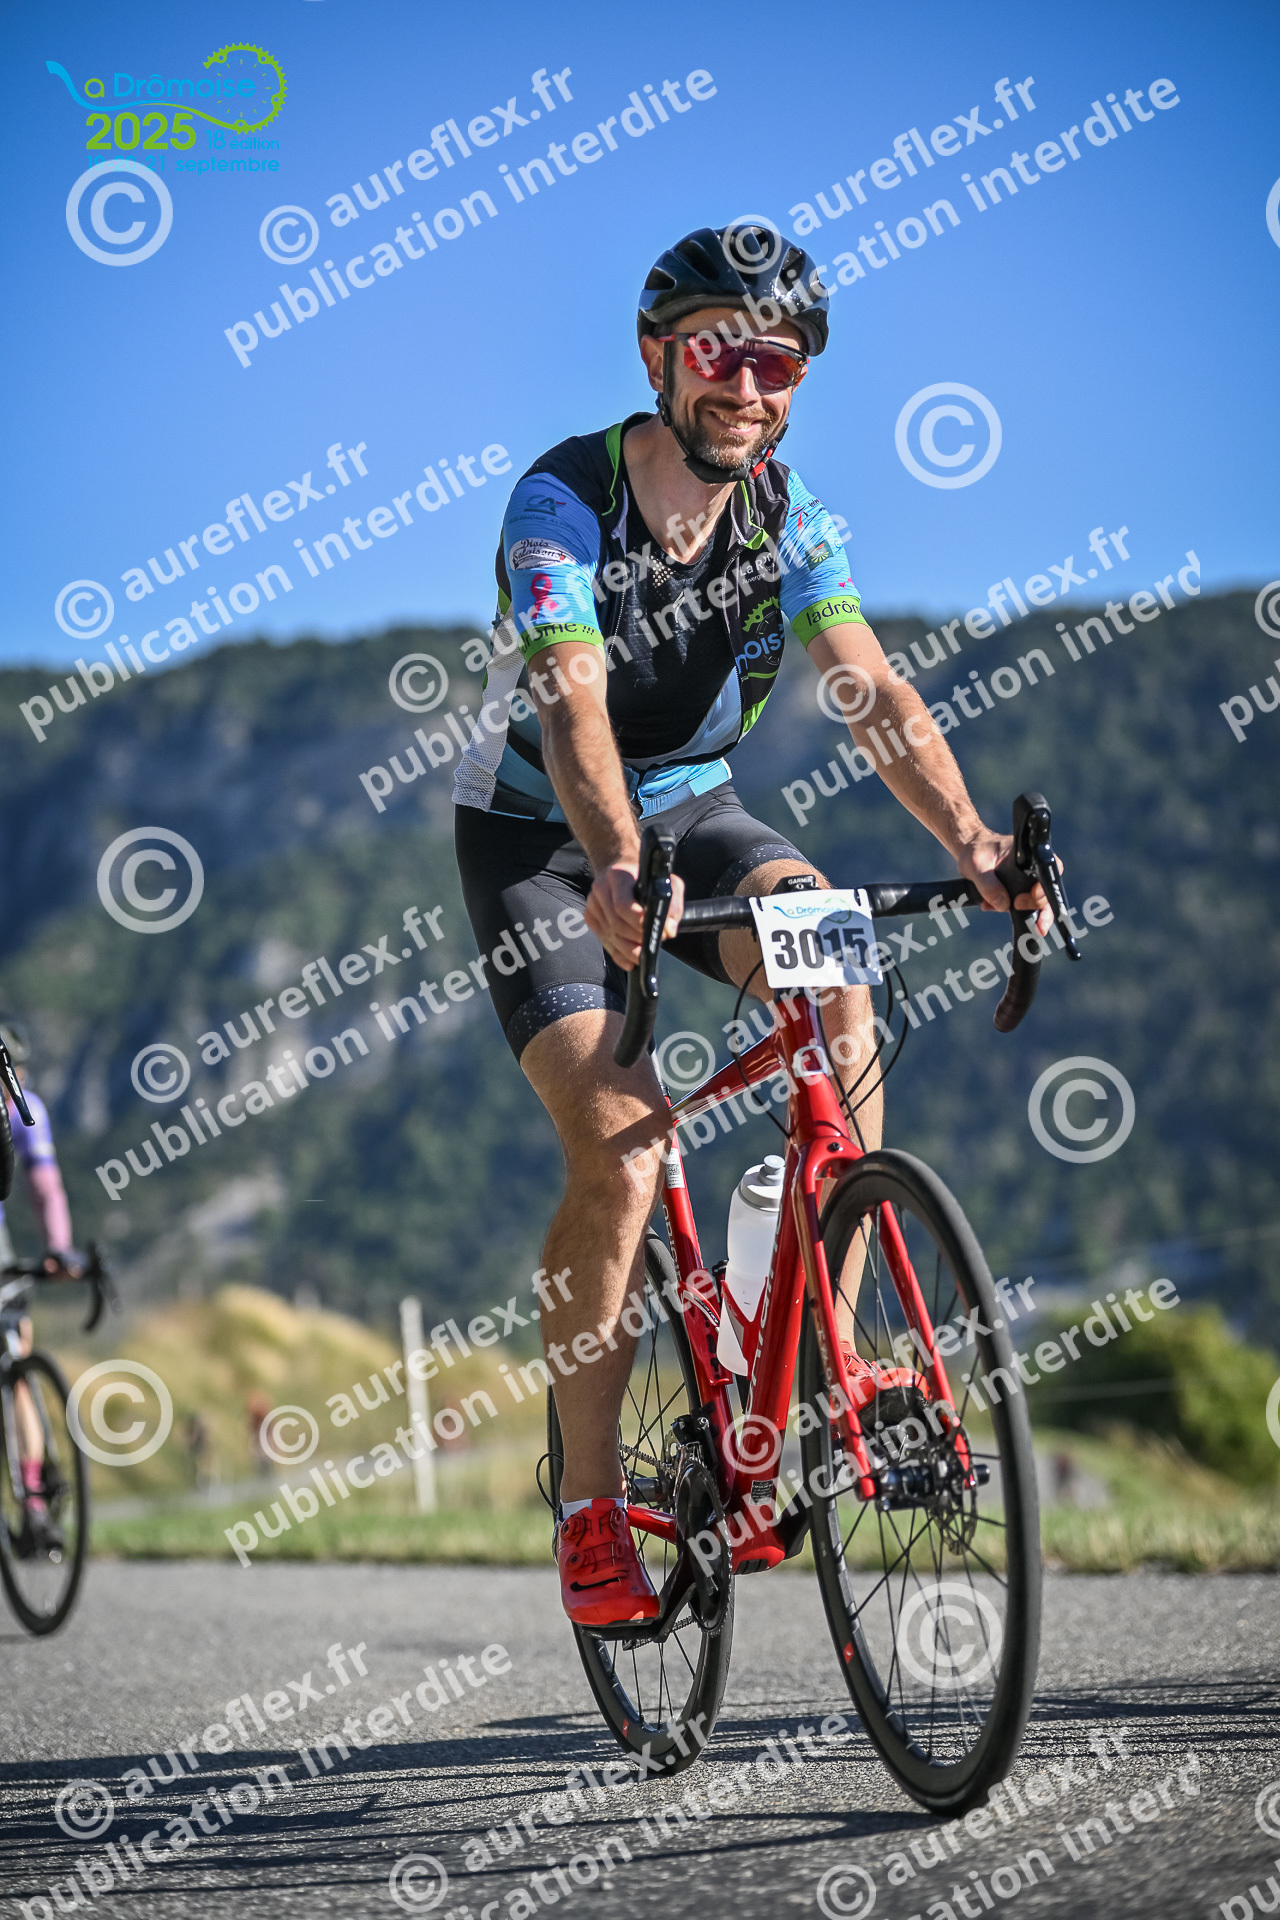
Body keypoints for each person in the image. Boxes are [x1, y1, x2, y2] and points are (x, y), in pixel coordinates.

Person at [452, 226, 1050, 1627]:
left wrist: (973, 846)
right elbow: (572, 700)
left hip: (697, 810)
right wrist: (614, 865)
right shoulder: (561, 504)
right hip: (542, 840)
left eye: (772, 361)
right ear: (657, 357)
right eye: (716, 350)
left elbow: (870, 688)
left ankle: (823, 1345)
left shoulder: (791, 517)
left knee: (837, 962)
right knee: (626, 1149)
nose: (743, 382)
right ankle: (591, 1510)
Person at [0, 1014, 83, 1547]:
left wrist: (58, 1249)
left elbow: (45, 1185)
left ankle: (32, 1500)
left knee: (16, 1355)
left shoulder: (27, 1113)